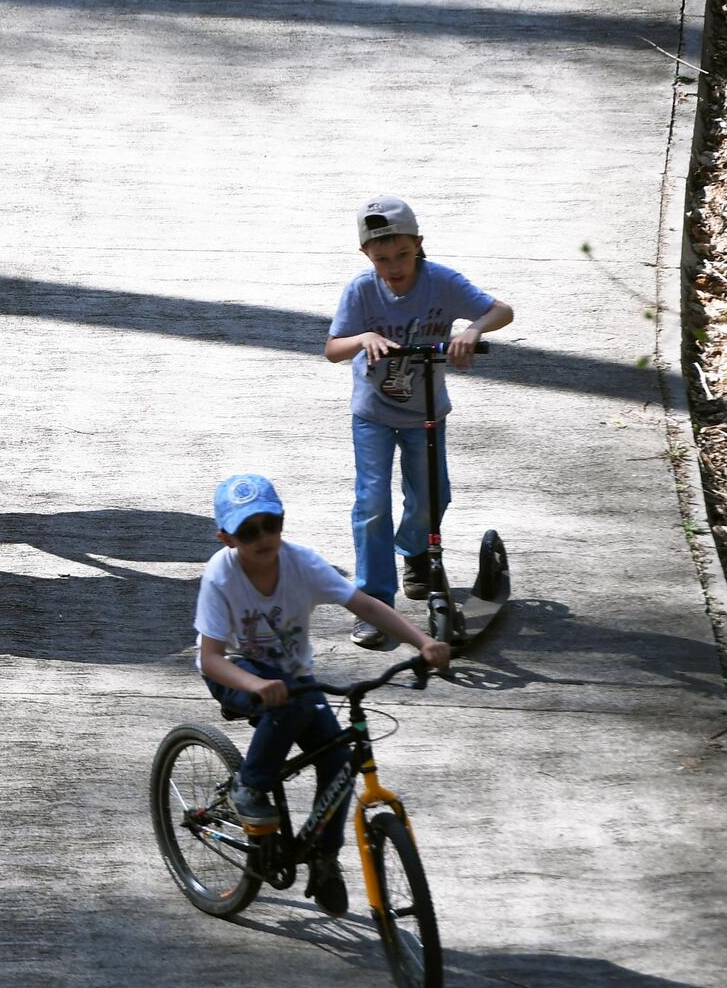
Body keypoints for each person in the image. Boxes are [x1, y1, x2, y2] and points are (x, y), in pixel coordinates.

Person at [195, 473, 451, 918]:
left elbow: (365, 605)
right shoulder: (221, 574)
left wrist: (421, 641)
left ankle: (323, 859)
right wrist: (255, 684)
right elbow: (211, 658)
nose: (262, 537)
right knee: (290, 699)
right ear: (226, 537)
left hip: (294, 679)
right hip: (236, 673)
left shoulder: (301, 564)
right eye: (247, 530)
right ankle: (248, 785)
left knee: (338, 758)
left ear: (281, 522)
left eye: (269, 524)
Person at [324, 197, 514, 648]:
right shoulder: (361, 290)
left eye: (402, 255)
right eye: (381, 258)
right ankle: (375, 601)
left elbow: (501, 310)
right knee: (371, 503)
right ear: (367, 256)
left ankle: (413, 552)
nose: (393, 267)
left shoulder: (442, 283)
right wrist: (363, 337)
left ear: (419, 245)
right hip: (372, 413)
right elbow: (333, 349)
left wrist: (472, 330)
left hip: (426, 411)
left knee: (432, 494)